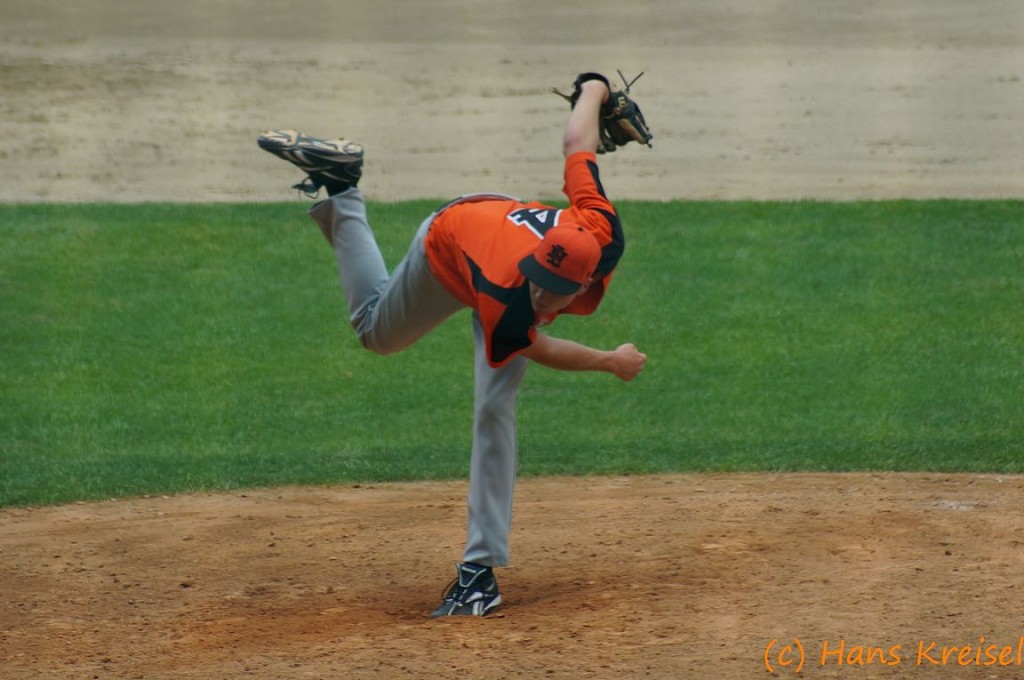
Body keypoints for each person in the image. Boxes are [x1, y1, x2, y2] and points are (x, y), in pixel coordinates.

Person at [257, 73, 647, 618]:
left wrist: (594, 91)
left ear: (585, 283)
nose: (539, 294)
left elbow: (576, 145)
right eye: (537, 280)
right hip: (449, 246)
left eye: (551, 290)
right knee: (375, 333)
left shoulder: (600, 226)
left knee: (494, 408)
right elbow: (540, 346)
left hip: (492, 226)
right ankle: (342, 188)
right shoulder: (510, 294)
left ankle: (477, 574)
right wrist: (610, 361)